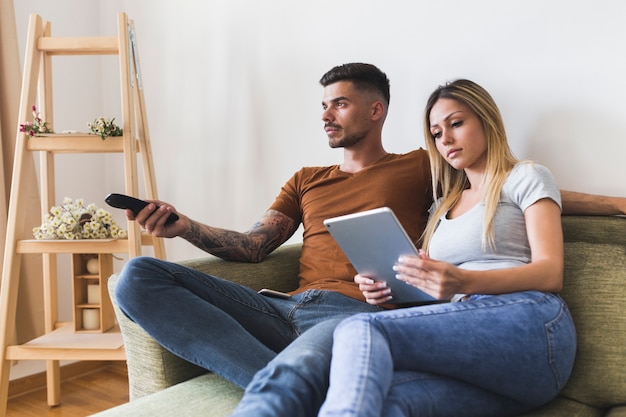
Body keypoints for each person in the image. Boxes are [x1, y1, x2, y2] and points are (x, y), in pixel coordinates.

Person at [115, 63, 624, 413]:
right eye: (323, 106)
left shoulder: (423, 168)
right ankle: (300, 381)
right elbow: (253, 246)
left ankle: (295, 382)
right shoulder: (307, 178)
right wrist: (185, 227)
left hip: (351, 312)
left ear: (374, 110)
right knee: (137, 278)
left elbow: (512, 183)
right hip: (280, 307)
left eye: (338, 104)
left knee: (348, 348)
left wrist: (618, 204)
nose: (325, 115)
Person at [314, 79, 577, 417]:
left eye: (456, 123)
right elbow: (442, 295)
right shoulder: (442, 206)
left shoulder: (525, 177)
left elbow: (550, 273)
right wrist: (390, 291)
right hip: (478, 354)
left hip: (532, 325)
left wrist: (462, 281)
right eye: (437, 133)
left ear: (486, 120)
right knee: (390, 403)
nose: (446, 139)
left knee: (357, 327)